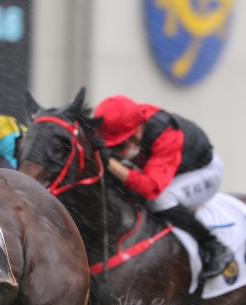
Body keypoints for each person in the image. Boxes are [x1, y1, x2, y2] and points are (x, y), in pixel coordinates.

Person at [94, 94, 234, 280]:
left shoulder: (167, 136)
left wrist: (109, 161)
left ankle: (214, 246)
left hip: (202, 172)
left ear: (136, 133)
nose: (115, 150)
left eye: (119, 145)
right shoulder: (127, 121)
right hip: (169, 170)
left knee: (160, 200)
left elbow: (150, 188)